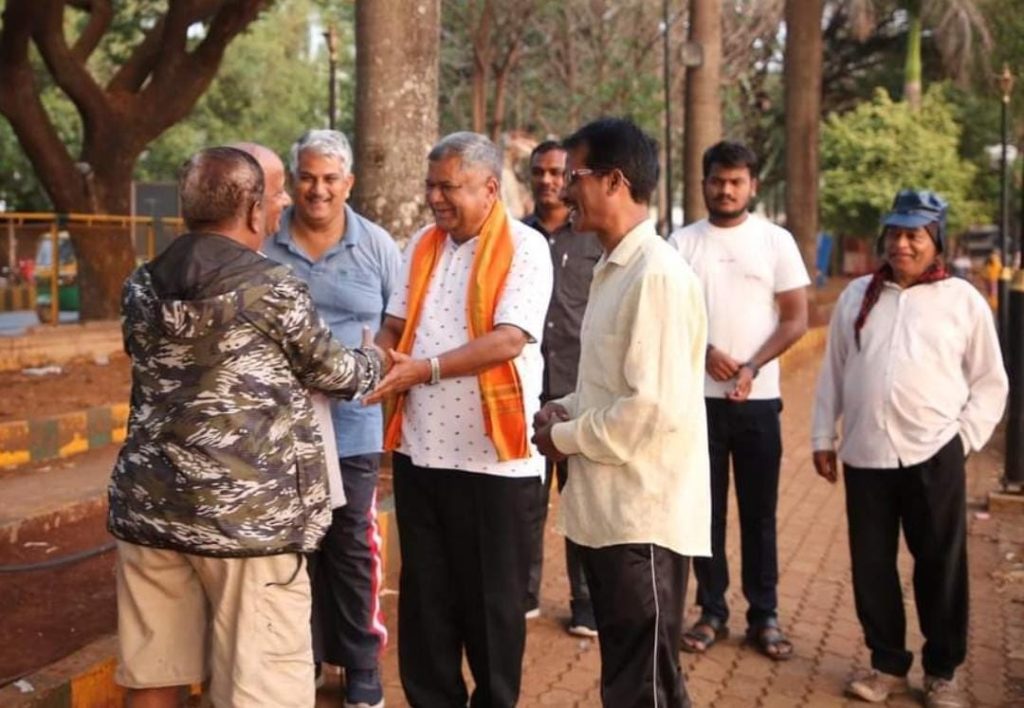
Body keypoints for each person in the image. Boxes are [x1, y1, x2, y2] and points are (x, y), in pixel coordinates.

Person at [107, 146, 385, 708]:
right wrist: (380, 362)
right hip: (248, 524)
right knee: (260, 690)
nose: (282, 207)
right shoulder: (273, 288)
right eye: (275, 198)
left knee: (151, 674)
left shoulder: (141, 286)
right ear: (254, 210)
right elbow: (333, 371)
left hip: (152, 511)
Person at [365, 131, 552, 708]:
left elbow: (508, 340)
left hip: (495, 464)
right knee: (426, 608)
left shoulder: (526, 247)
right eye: (431, 186)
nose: (436, 199)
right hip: (421, 454)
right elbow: (394, 326)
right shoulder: (421, 243)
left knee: (492, 612)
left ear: (490, 187)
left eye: (449, 187)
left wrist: (423, 370)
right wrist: (371, 362)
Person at [531, 117, 710, 707]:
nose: (561, 191)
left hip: (644, 519)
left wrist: (567, 437)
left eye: (574, 176)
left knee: (644, 686)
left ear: (613, 180)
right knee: (635, 681)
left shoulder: (655, 275)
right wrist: (563, 409)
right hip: (613, 514)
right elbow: (610, 387)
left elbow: (649, 411)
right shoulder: (614, 268)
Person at [811, 189, 1007, 707]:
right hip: (865, 454)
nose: (901, 244)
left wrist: (963, 440)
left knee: (940, 565)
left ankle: (942, 672)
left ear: (935, 241)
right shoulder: (857, 296)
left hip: (934, 453)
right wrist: (821, 436)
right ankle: (887, 666)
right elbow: (833, 372)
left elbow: (992, 383)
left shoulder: (962, 301)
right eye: (894, 234)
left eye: (913, 235)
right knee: (872, 564)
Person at [263, 129, 399, 708]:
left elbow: (394, 325)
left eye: (329, 179)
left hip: (352, 426)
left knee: (350, 543)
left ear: (349, 183)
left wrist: (369, 372)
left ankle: (362, 662)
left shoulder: (376, 245)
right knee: (295, 543)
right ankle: (307, 656)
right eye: (307, 177)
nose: (317, 190)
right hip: (278, 428)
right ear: (294, 180)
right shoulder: (265, 243)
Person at [670, 141, 809, 660]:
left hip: (757, 402)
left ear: (752, 185)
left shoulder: (775, 242)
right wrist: (704, 351)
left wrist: (752, 366)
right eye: (716, 180)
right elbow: (666, 316)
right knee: (704, 513)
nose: (725, 190)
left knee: (760, 514)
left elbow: (796, 316)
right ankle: (711, 611)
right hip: (697, 404)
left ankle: (764, 614)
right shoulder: (680, 244)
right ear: (704, 183)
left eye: (736, 181)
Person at [522, 139, 603, 635]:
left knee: (580, 502)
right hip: (526, 387)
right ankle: (524, 592)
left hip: (579, 390)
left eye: (557, 172)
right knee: (525, 500)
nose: (548, 181)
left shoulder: (592, 237)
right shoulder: (514, 236)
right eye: (539, 172)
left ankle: (587, 601)